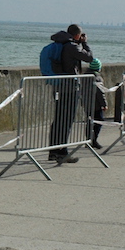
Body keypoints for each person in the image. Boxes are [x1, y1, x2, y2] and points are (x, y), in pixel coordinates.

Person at [46, 24, 94, 163]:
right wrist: (84, 43)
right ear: (77, 35)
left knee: (58, 119)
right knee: (66, 120)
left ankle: (53, 151)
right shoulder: (72, 46)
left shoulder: (60, 44)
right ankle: (63, 152)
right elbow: (89, 58)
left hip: (59, 86)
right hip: (70, 88)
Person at [87, 58, 106, 149]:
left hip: (87, 103)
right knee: (99, 121)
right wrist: (104, 104)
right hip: (96, 104)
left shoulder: (85, 77)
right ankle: (94, 140)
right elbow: (100, 93)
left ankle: (88, 140)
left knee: (89, 121)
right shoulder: (97, 78)